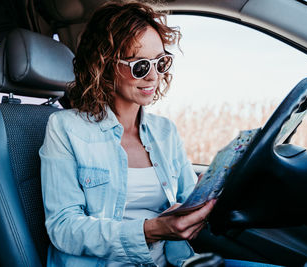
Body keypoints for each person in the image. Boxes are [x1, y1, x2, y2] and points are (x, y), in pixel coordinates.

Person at [39, 1, 216, 266]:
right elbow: (63, 229)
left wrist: (206, 196)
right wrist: (151, 229)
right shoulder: (65, 129)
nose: (153, 76)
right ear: (104, 65)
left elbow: (186, 202)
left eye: (161, 62)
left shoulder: (165, 131)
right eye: (140, 66)